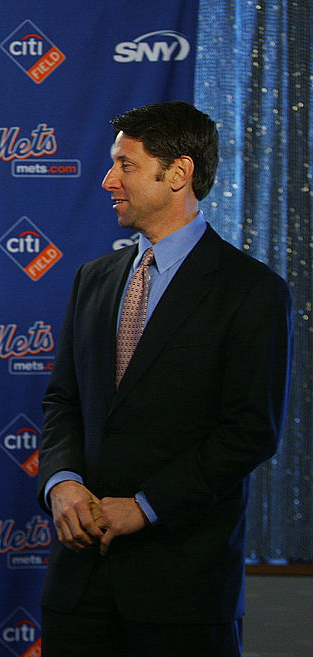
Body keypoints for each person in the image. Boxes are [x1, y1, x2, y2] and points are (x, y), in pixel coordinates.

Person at [37, 101, 292, 657]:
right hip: (79, 587)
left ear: (178, 173)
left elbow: (251, 430)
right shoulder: (93, 279)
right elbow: (63, 401)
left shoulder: (252, 291)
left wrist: (147, 505)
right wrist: (60, 482)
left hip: (183, 593)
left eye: (125, 165)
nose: (108, 180)